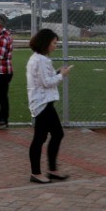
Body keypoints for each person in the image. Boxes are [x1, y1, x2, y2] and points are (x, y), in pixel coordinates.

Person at [27, 28, 72, 184]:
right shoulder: (41, 60)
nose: (55, 46)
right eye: (54, 43)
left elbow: (45, 78)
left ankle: (51, 170)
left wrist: (58, 72)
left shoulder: (37, 58)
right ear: (46, 43)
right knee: (41, 138)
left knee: (54, 134)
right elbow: (47, 82)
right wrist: (62, 75)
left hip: (43, 102)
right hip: (42, 103)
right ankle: (37, 173)